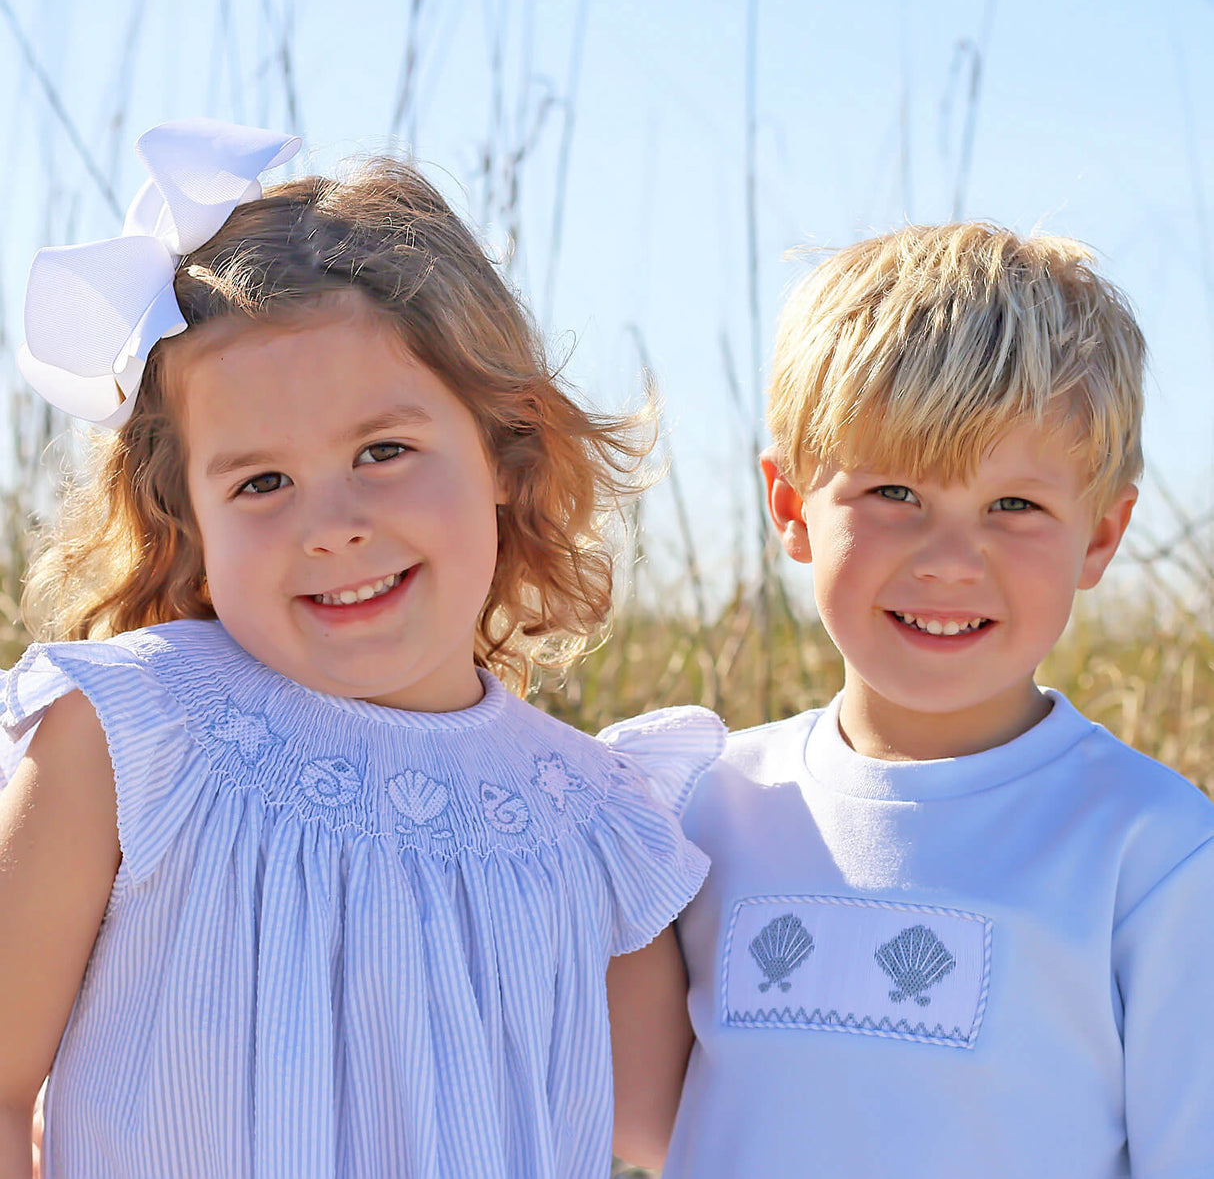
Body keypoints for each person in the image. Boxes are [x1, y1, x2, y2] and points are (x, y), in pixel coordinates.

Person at [0, 118, 722, 1179]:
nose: (329, 523)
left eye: (383, 451)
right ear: (188, 517)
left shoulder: (592, 817)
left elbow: (691, 1135)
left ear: (506, 455)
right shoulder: (125, 740)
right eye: (261, 481)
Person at [614, 222, 1214, 1177]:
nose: (949, 559)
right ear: (789, 506)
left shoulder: (1151, 851)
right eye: (895, 492)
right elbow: (639, 1129)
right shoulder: (695, 809)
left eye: (1014, 507)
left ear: (1101, 537)